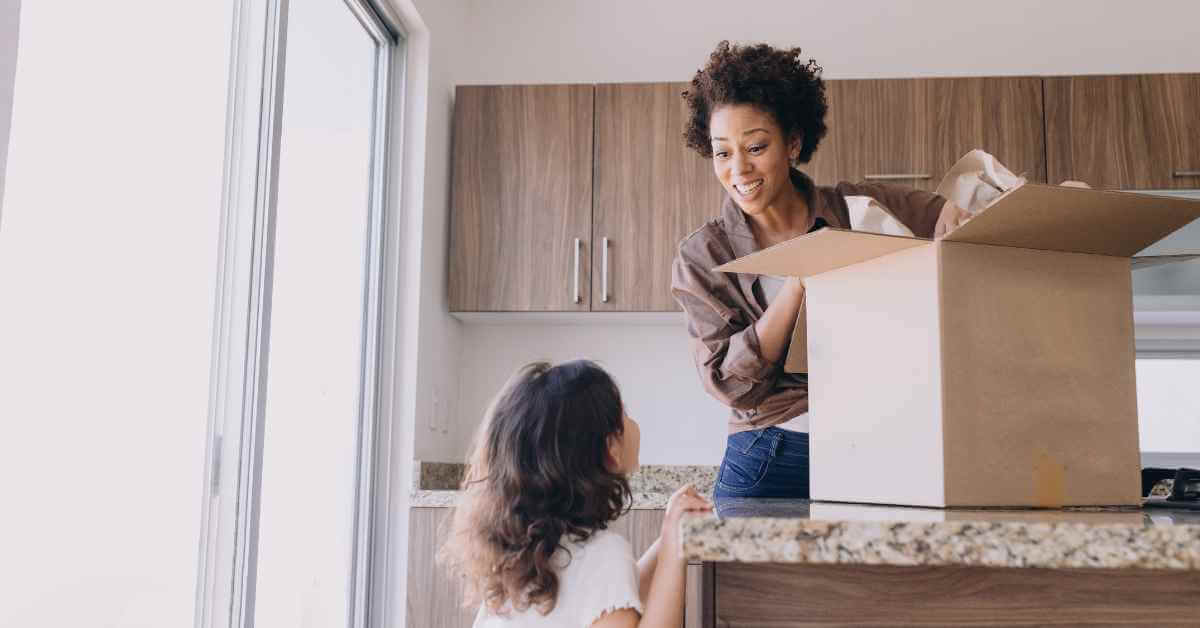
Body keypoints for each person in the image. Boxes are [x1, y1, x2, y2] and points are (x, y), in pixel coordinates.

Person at [671, 41, 972, 501]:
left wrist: (958, 213)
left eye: (756, 147)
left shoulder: (858, 207)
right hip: (771, 455)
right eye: (722, 153)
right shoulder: (703, 255)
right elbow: (730, 384)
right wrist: (798, 282)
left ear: (792, 143)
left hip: (879, 446)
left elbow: (954, 219)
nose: (739, 170)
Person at [439, 360, 713, 627]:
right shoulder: (603, 555)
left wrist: (668, 539)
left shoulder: (526, 556)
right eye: (624, 413)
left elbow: (605, 600)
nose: (632, 422)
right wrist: (673, 552)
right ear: (610, 447)